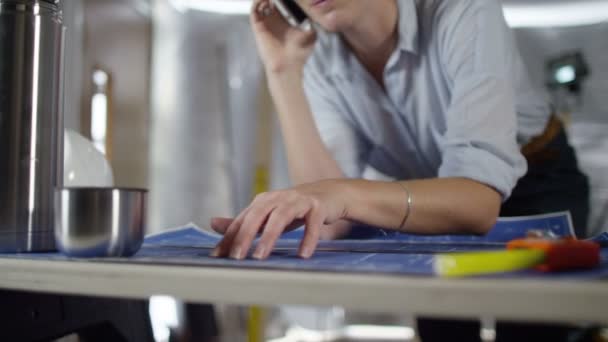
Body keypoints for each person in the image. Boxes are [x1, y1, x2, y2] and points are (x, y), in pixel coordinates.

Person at [210, 1, 590, 339]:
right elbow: (328, 219)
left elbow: (477, 201)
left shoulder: (463, 10)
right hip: (428, 192)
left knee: (530, 325)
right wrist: (283, 70)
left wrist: (344, 195)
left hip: (536, 179)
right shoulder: (319, 56)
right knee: (441, 322)